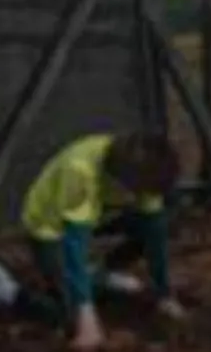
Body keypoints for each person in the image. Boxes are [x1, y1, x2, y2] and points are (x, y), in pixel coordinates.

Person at [18, 131, 186, 350]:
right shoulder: (79, 170)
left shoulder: (147, 169)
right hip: (50, 226)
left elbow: (155, 232)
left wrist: (165, 294)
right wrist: (85, 317)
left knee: (160, 223)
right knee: (67, 315)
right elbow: (74, 245)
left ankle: (100, 274)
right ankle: (6, 289)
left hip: (101, 212)